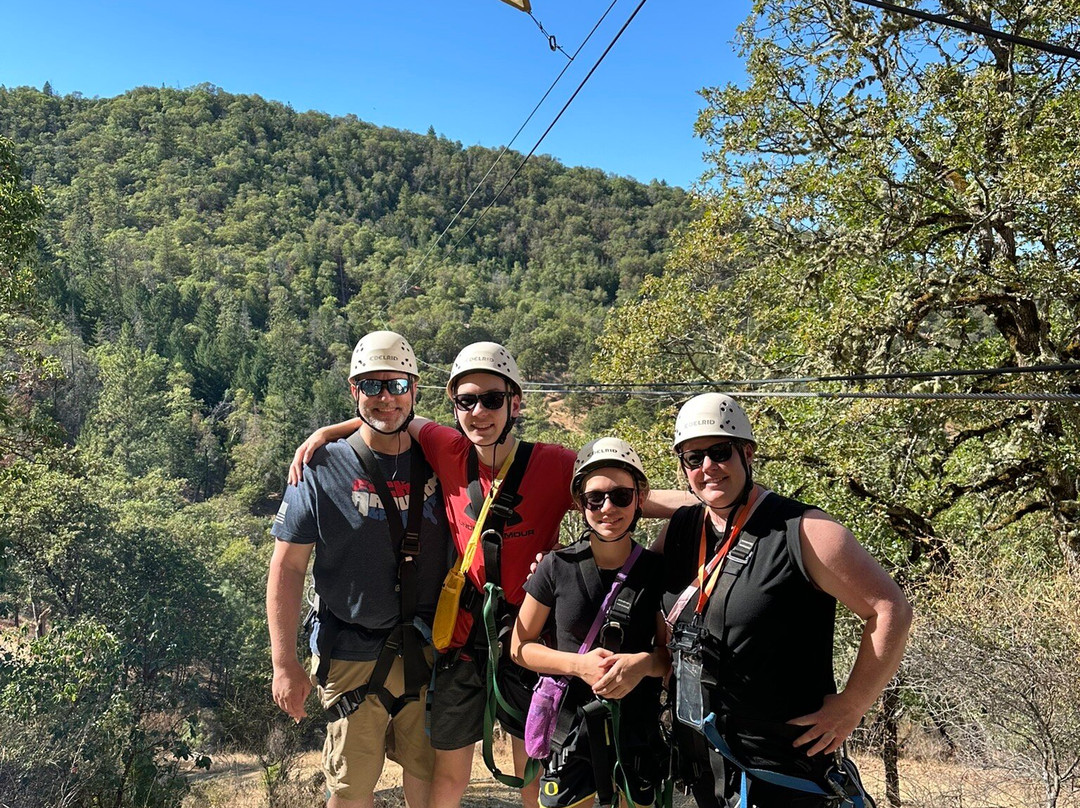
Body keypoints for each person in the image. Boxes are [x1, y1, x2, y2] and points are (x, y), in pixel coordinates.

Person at [290, 341, 694, 808]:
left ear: (515, 403)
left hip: (524, 633)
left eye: (492, 400)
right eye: (466, 401)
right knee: (448, 773)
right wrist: (327, 432)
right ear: (453, 406)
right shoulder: (446, 446)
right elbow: (387, 414)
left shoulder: (553, 463)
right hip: (462, 637)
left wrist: (732, 500)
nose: (479, 411)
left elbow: (624, 496)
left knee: (534, 765)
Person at [658, 393, 912, 808]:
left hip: (780, 770)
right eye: (693, 458)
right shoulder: (683, 529)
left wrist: (852, 706)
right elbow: (626, 557)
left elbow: (890, 609)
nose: (707, 467)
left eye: (720, 452)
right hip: (699, 763)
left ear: (747, 452)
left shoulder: (803, 530)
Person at [267, 331, 453, 808]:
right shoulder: (321, 466)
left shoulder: (443, 458)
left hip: (430, 653)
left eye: (395, 384)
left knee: (427, 780)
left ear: (415, 388)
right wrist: (284, 663)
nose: (384, 397)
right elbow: (287, 569)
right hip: (351, 654)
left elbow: (474, 436)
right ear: (354, 391)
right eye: (370, 386)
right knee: (350, 790)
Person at [511, 437, 670, 808]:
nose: (607, 508)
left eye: (621, 496)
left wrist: (642, 664)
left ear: (640, 497)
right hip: (571, 735)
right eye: (594, 499)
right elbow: (519, 646)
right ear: (580, 505)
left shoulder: (657, 572)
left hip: (636, 733)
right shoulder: (556, 567)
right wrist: (577, 665)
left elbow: (668, 655)